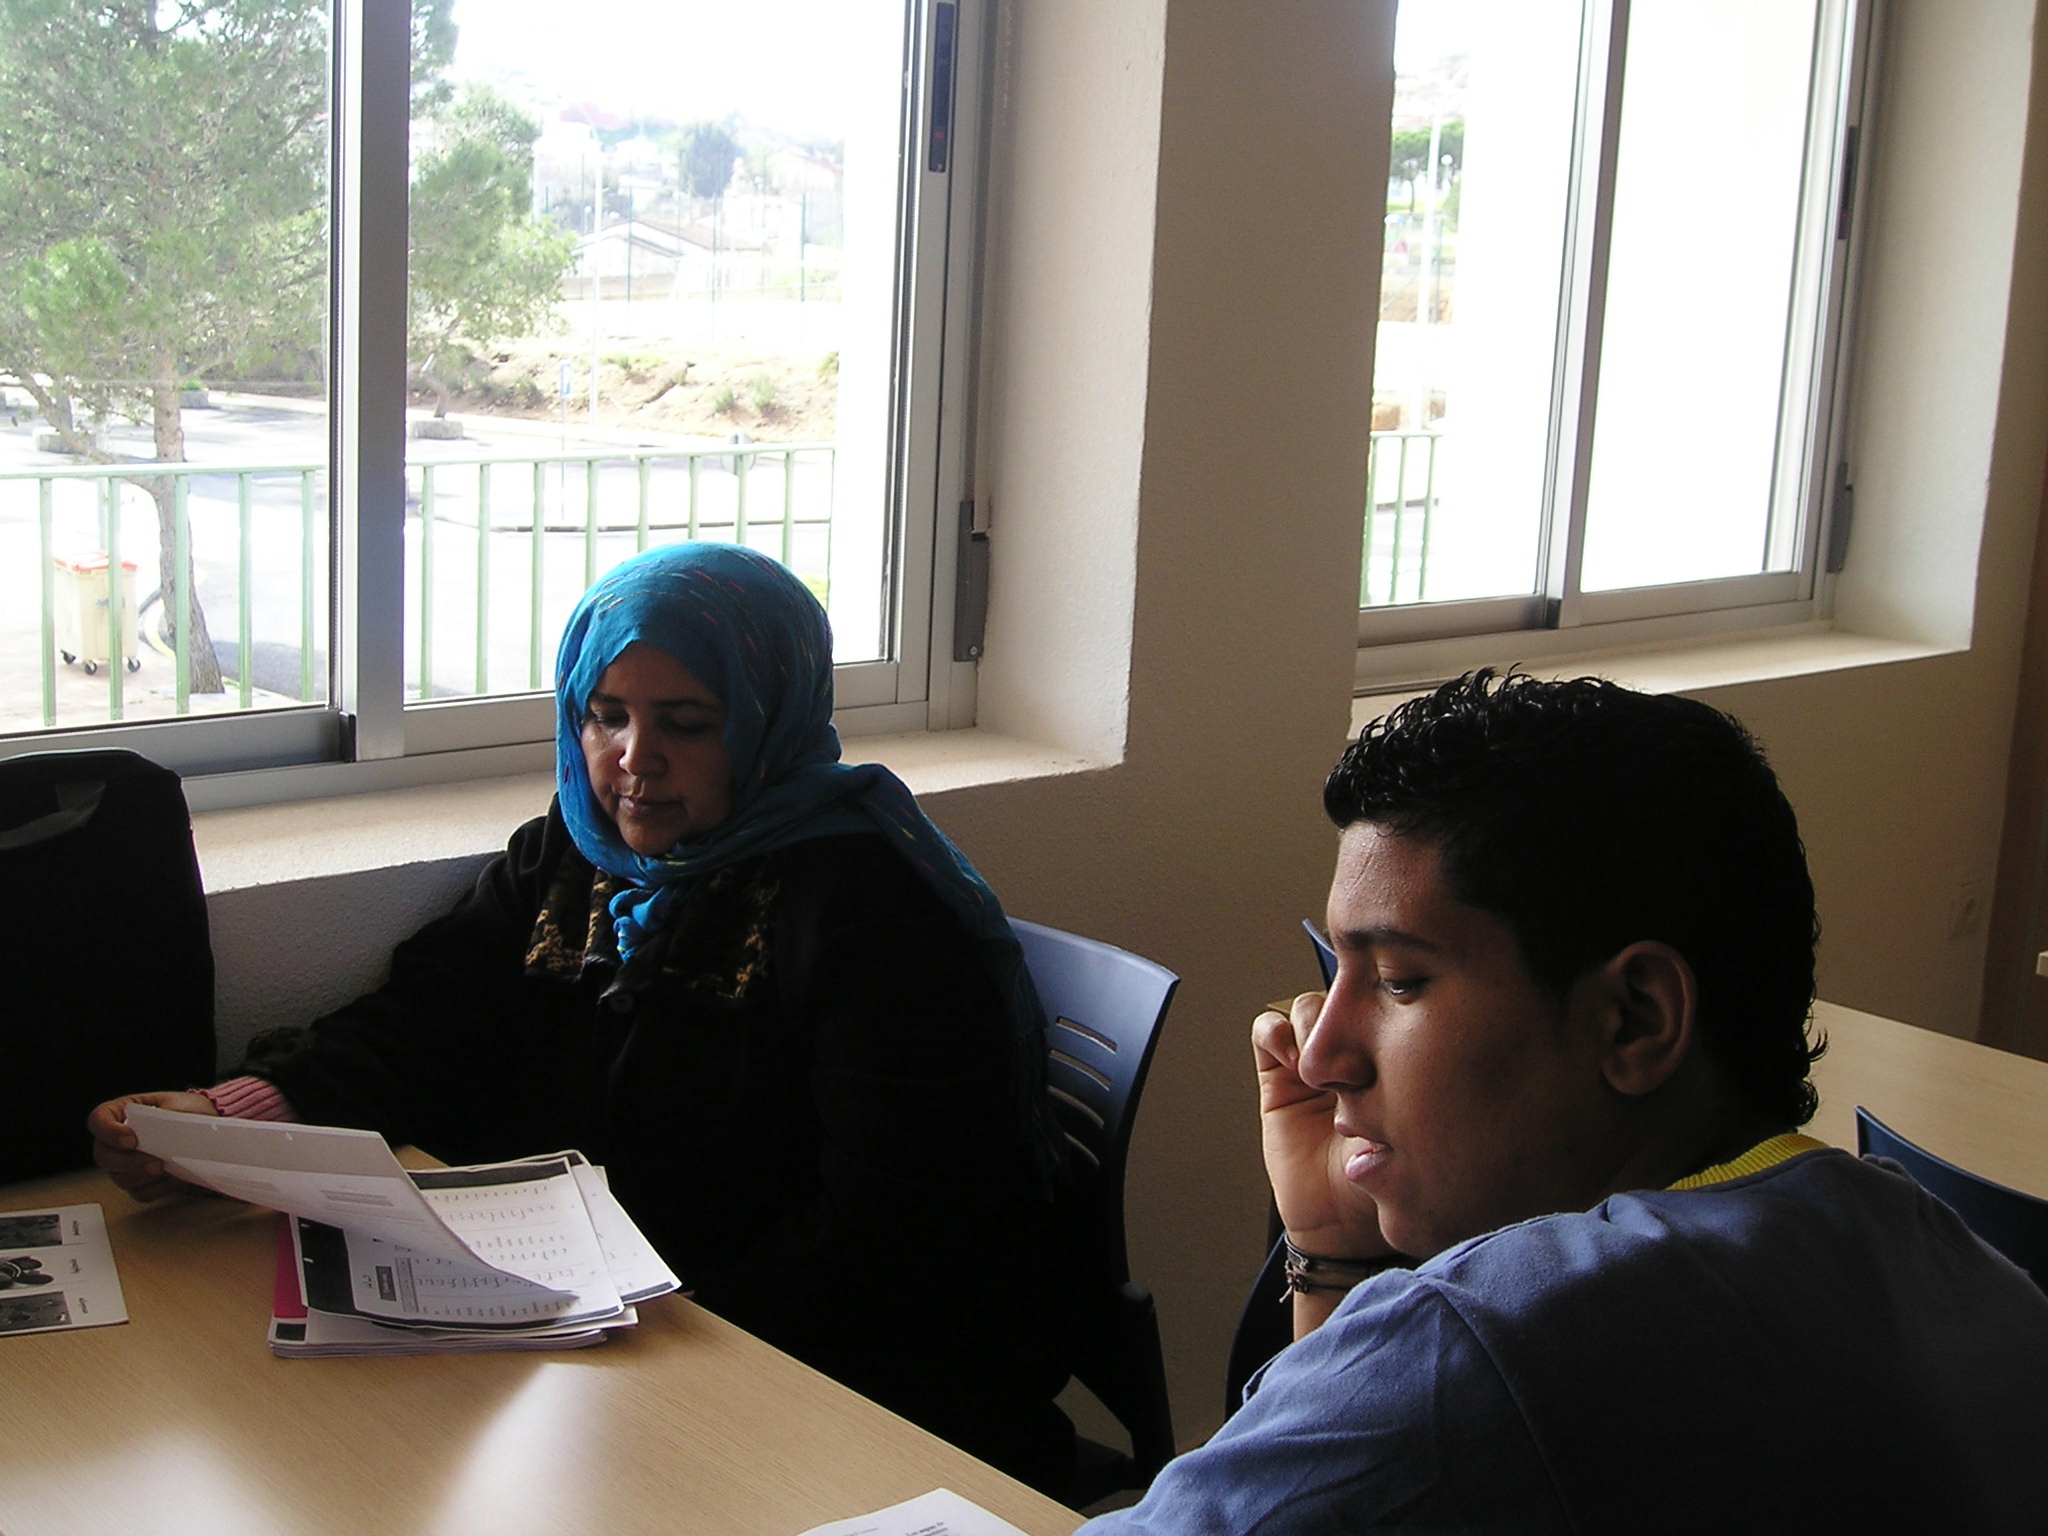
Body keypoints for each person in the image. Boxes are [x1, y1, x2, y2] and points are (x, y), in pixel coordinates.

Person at [89, 541, 1077, 1494]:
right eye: (605, 716)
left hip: (826, 1379)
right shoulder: (571, 856)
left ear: (766, 722)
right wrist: (231, 1118)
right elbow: (428, 1017)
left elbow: (890, 1220)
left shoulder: (866, 906)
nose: (634, 760)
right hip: (608, 1340)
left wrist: (669, 1337)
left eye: (686, 723)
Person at [1089, 670, 2048, 1534]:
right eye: (1338, 972)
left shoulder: (1488, 1337)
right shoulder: (1976, 1278)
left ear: (1634, 1021)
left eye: (1400, 981)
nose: (1322, 1053)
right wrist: (1341, 1252)